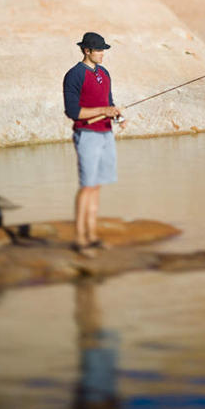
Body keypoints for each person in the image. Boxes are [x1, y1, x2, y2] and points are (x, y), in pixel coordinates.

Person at [63, 32, 124, 253]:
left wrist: (118, 117)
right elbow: (73, 112)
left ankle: (93, 236)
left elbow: (109, 102)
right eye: (98, 50)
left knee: (96, 185)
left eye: (103, 50)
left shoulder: (104, 73)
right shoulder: (74, 75)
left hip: (106, 133)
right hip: (87, 134)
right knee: (87, 186)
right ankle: (80, 239)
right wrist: (102, 110)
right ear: (86, 50)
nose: (102, 54)